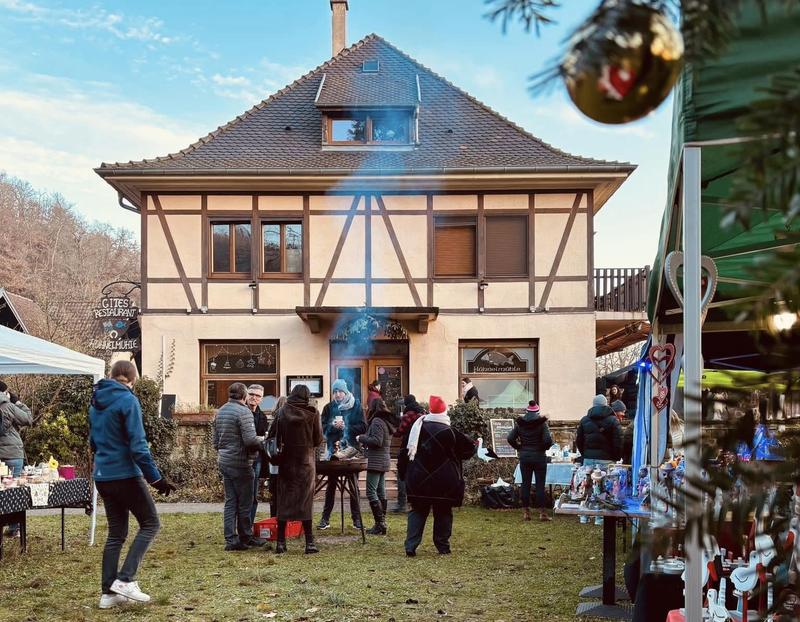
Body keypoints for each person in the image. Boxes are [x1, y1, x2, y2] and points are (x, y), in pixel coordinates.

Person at [89, 361, 176, 609]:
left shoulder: (95, 401)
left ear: (112, 375)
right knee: (150, 524)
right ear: (132, 378)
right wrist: (156, 479)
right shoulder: (128, 400)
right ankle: (126, 579)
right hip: (125, 474)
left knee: (116, 534)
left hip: (102, 475)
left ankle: (108, 593)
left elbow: (93, 441)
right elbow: (138, 446)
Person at [404, 396, 476, 556]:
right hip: (445, 482)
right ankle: (442, 546)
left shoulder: (417, 428)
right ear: (444, 411)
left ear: (430, 410)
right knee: (443, 512)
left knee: (417, 511)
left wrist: (405, 475)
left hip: (419, 479)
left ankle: (411, 546)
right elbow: (469, 450)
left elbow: (404, 453)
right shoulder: (451, 432)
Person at [266, 384, 323, 554]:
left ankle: (281, 543)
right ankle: (309, 543)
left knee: (284, 501)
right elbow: (318, 439)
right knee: (305, 502)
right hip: (305, 463)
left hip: (286, 462)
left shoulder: (283, 411)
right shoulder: (313, 413)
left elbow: (272, 435)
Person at [213, 382, 267, 551]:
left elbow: (215, 442)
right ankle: (246, 537)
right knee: (245, 502)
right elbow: (250, 440)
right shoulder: (244, 412)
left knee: (230, 502)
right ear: (244, 396)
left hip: (224, 461)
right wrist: (264, 441)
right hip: (242, 463)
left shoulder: (220, 411)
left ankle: (230, 539)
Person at [318, 379, 366, 530]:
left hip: (351, 451)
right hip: (333, 451)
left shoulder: (356, 405)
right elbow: (321, 427)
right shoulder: (328, 407)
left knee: (353, 486)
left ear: (345, 392)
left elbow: (364, 426)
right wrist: (332, 425)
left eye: (340, 391)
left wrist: (347, 426)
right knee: (331, 485)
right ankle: (325, 519)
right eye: (335, 392)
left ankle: (356, 519)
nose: (337, 394)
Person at [575, 394, 621, 525]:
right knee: (605, 488)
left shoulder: (584, 420)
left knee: (587, 486)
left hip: (589, 458)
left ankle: (585, 515)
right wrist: (616, 457)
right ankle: (600, 517)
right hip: (606, 459)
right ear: (606, 404)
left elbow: (579, 440)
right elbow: (618, 441)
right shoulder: (613, 421)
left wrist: (585, 454)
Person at [507, 400, 553, 522]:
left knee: (525, 484)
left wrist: (519, 447)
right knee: (540, 484)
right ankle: (542, 513)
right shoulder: (542, 424)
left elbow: (510, 438)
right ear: (537, 412)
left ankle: (526, 512)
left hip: (525, 456)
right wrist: (543, 448)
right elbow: (548, 440)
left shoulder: (520, 424)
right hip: (539, 456)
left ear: (526, 411)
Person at [356, 398, 397, 535]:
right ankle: (382, 523)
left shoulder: (377, 421)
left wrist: (361, 438)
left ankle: (380, 524)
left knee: (370, 491)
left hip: (376, 460)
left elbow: (377, 441)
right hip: (384, 459)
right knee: (381, 491)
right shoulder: (385, 421)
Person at [0, 381, 32, 538]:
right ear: (4, 393)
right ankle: (13, 528)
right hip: (12, 454)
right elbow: (28, 419)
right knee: (13, 492)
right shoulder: (8, 406)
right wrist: (17, 402)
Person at [390, 394, 427, 513]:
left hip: (407, 446)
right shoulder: (422, 412)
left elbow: (400, 431)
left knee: (402, 473)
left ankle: (402, 504)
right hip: (421, 447)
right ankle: (417, 502)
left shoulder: (409, 414)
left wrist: (391, 430)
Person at [246, 384, 269, 525]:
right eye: (252, 394)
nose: (254, 397)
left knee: (253, 495)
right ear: (247, 395)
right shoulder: (241, 413)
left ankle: (249, 526)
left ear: (261, 399)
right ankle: (242, 528)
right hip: (242, 459)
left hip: (257, 459)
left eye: (258, 395)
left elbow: (265, 438)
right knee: (243, 496)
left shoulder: (262, 417)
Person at [268, 396, 287, 518]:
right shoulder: (287, 421)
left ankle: (274, 517)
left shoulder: (272, 421)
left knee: (274, 492)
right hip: (284, 462)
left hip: (273, 462)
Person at [612, 400, 634, 464]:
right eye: (622, 412)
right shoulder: (614, 423)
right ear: (616, 411)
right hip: (610, 459)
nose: (624, 414)